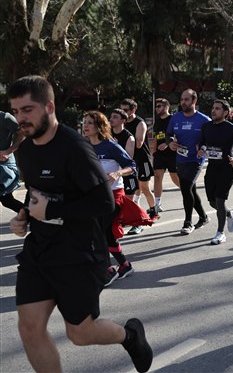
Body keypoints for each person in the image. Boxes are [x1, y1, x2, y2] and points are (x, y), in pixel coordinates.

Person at [8, 76, 152, 373]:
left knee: (80, 333)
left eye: (28, 110)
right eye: (16, 111)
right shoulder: (26, 149)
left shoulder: (75, 148)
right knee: (29, 328)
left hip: (79, 251)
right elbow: (37, 194)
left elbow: (104, 203)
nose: (21, 118)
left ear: (49, 107)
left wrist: (52, 210)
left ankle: (130, 336)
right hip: (40, 249)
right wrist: (24, 215)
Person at [83, 111, 156, 286]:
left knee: (98, 233)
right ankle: (125, 265)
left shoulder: (110, 145)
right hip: (95, 197)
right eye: (84, 122)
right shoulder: (85, 146)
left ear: (99, 126)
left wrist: (117, 173)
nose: (85, 126)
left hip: (113, 196)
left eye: (90, 123)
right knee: (107, 234)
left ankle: (108, 271)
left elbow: (131, 166)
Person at [198, 100, 233, 244]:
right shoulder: (206, 126)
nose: (213, 111)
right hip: (211, 168)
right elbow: (202, 142)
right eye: (213, 108)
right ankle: (230, 213)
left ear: (225, 112)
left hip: (226, 169)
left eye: (217, 109)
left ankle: (220, 233)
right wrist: (202, 149)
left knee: (220, 201)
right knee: (212, 202)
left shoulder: (232, 129)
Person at [167, 88, 211, 235]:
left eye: (186, 99)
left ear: (194, 100)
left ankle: (188, 222)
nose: (183, 102)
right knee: (190, 190)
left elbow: (211, 138)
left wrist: (203, 147)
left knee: (186, 188)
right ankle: (204, 217)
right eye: (181, 99)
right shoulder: (175, 118)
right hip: (180, 159)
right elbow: (169, 134)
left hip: (196, 159)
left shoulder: (204, 120)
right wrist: (170, 142)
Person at [121, 99, 158, 233]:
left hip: (142, 160)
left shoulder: (140, 123)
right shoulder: (121, 123)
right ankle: (135, 218)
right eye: (121, 110)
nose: (123, 113)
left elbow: (138, 143)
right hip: (129, 162)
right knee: (132, 190)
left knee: (144, 188)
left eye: (125, 110)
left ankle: (153, 211)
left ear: (133, 110)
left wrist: (123, 134)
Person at [152, 98, 180, 212]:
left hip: (172, 153)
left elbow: (179, 135)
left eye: (159, 106)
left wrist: (168, 144)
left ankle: (189, 194)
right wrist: (153, 152)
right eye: (156, 106)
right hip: (159, 154)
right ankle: (157, 204)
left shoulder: (173, 119)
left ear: (166, 107)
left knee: (175, 178)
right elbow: (156, 137)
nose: (157, 108)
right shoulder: (157, 121)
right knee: (157, 177)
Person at [0, 111, 25, 213]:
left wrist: (8, 151)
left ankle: (33, 217)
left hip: (4, 166)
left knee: (7, 200)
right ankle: (33, 217)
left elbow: (23, 133)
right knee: (7, 201)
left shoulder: (5, 117)